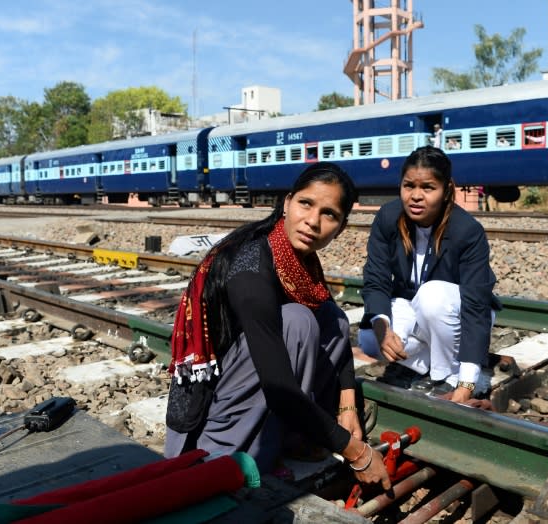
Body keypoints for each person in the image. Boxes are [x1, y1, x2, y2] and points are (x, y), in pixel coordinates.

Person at [164, 162, 391, 490]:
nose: (313, 221)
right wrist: (358, 452)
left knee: (331, 317)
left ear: (340, 228)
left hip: (252, 383)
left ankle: (290, 436)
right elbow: (279, 388)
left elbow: (336, 328)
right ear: (286, 203)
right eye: (306, 204)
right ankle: (244, 453)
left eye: (329, 214)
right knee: (298, 323)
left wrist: (347, 404)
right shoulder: (251, 267)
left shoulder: (299, 261)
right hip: (208, 414)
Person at [358, 146, 501, 404]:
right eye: (408, 186)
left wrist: (466, 386)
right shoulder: (388, 218)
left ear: (447, 190)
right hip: (417, 308)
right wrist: (381, 325)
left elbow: (475, 305)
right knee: (368, 337)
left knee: (431, 295)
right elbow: (376, 278)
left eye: (428, 188)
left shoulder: (468, 231)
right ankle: (429, 363)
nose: (416, 196)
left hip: (459, 310)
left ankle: (451, 374)